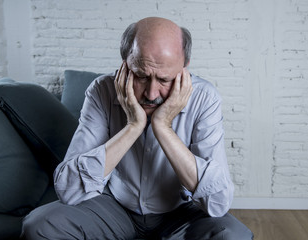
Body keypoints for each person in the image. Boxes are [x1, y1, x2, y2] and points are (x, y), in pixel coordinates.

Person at [22, 17, 253, 240]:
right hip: (114, 208)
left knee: (233, 235)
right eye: (141, 76)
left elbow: (218, 202)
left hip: (180, 213)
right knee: (40, 226)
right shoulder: (101, 91)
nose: (152, 94)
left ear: (184, 67)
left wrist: (163, 127)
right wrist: (134, 125)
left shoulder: (204, 98)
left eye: (164, 79)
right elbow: (69, 189)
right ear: (125, 64)